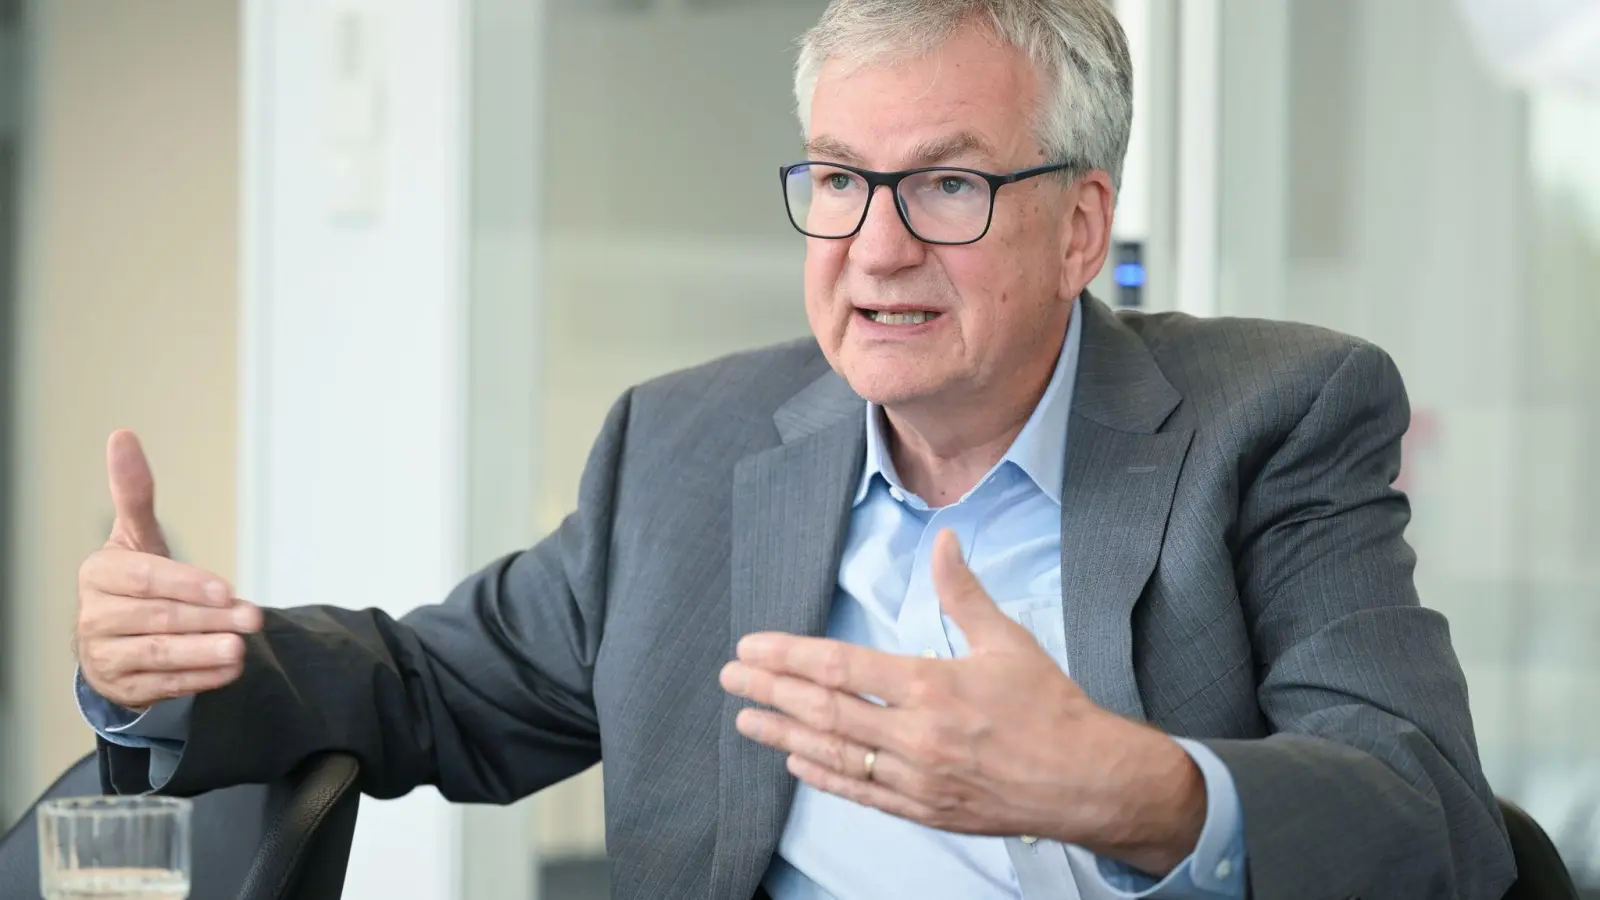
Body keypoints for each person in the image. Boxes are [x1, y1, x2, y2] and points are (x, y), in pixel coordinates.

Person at [73, 1, 1516, 898]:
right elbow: (430, 691)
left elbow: (1428, 824)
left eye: (947, 183)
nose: (875, 248)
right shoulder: (688, 447)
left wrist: (1121, 788)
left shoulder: (1275, 419)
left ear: (1082, 226)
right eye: (838, 179)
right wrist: (177, 666)